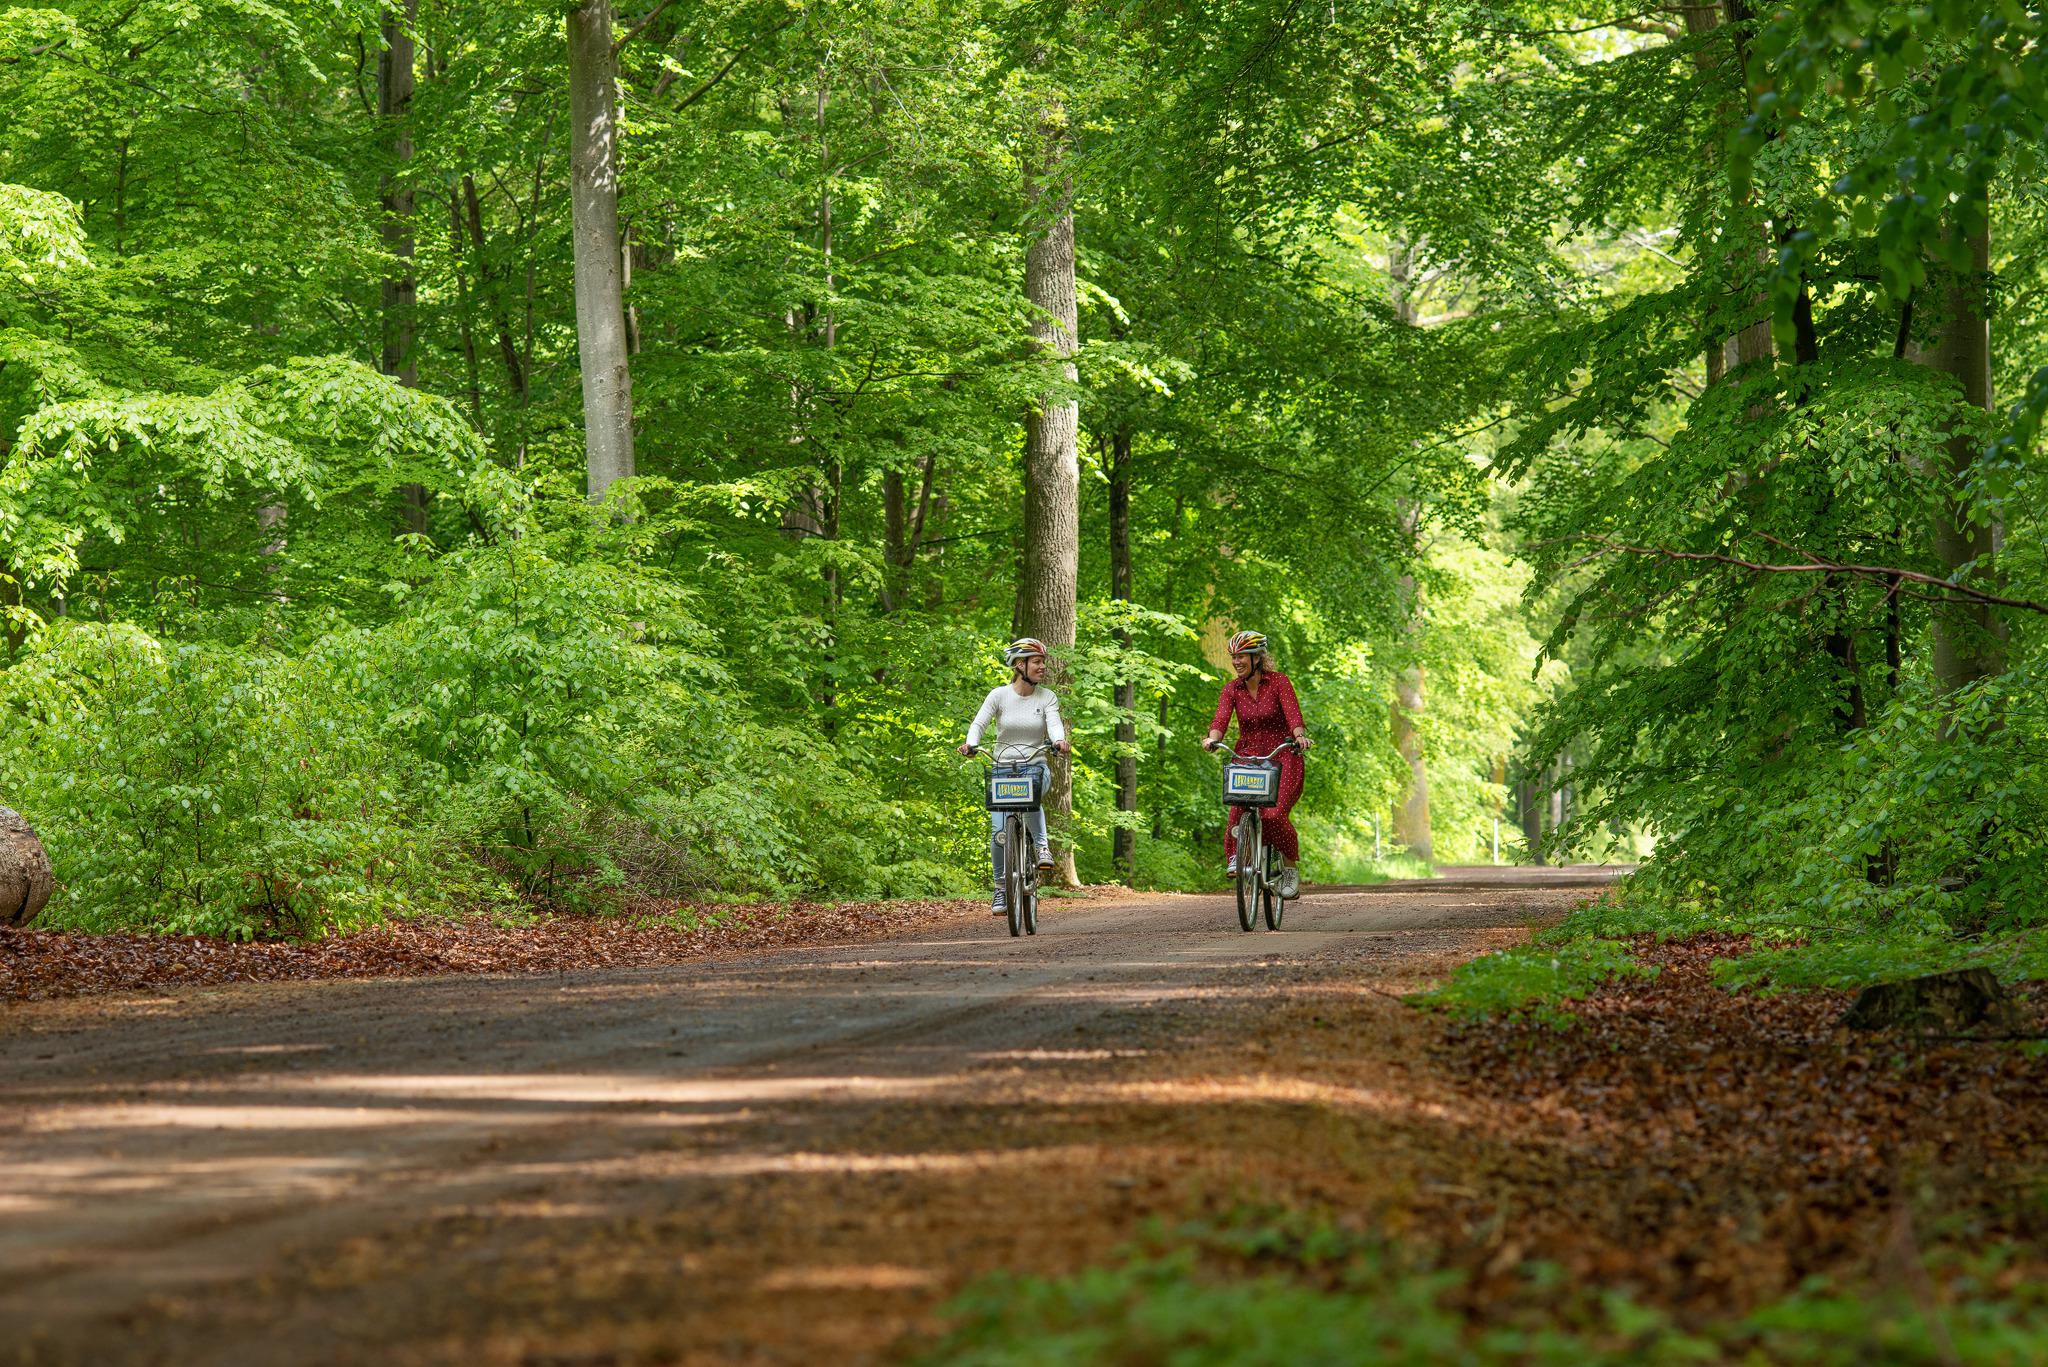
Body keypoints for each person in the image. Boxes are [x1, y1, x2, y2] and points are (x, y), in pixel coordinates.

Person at [959, 637, 1071, 916]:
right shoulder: (998, 696)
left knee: (1031, 794)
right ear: (1020, 665)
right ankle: (1001, 888)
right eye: (1037, 662)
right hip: (1002, 769)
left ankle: (1042, 847)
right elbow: (979, 723)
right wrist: (971, 744)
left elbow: (1054, 723)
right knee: (998, 833)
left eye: (1043, 662)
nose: (1043, 667)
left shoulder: (1047, 697)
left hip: (1036, 767)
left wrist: (1059, 741)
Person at [1202, 630, 1314, 898]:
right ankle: (1237, 856)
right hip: (1248, 755)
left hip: (1282, 754)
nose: (1236, 662)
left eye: (1241, 656)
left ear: (1257, 658)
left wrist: (1299, 737)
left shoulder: (1279, 682)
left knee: (1273, 815)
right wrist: (1212, 739)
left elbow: (1293, 715)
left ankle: (1289, 869)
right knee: (1238, 805)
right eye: (1233, 657)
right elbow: (1220, 719)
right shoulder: (1232, 689)